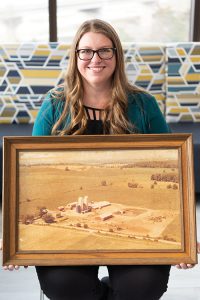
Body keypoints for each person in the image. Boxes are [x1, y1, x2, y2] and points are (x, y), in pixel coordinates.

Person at [1, 19, 199, 300]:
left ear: (117, 55)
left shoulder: (143, 104)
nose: (95, 59)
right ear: (76, 57)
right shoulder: (54, 105)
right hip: (72, 225)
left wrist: (184, 237)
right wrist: (14, 238)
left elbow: (175, 169)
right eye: (86, 51)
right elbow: (27, 177)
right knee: (65, 287)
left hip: (132, 219)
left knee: (141, 288)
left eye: (105, 51)